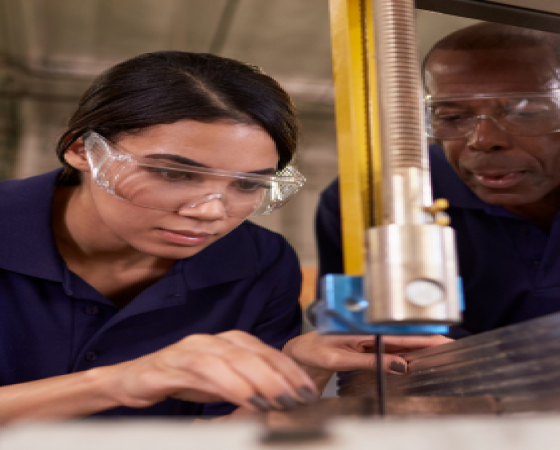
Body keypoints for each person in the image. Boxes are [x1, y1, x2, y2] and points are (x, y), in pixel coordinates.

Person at [0, 51, 449, 424]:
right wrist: (121, 380)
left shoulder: (261, 262)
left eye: (249, 184)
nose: (212, 212)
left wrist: (301, 366)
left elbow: (225, 432)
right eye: (172, 172)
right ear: (83, 149)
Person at [317, 22, 560, 339]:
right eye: (452, 117)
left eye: (526, 112)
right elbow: (368, 352)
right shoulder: (379, 199)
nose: (482, 140)